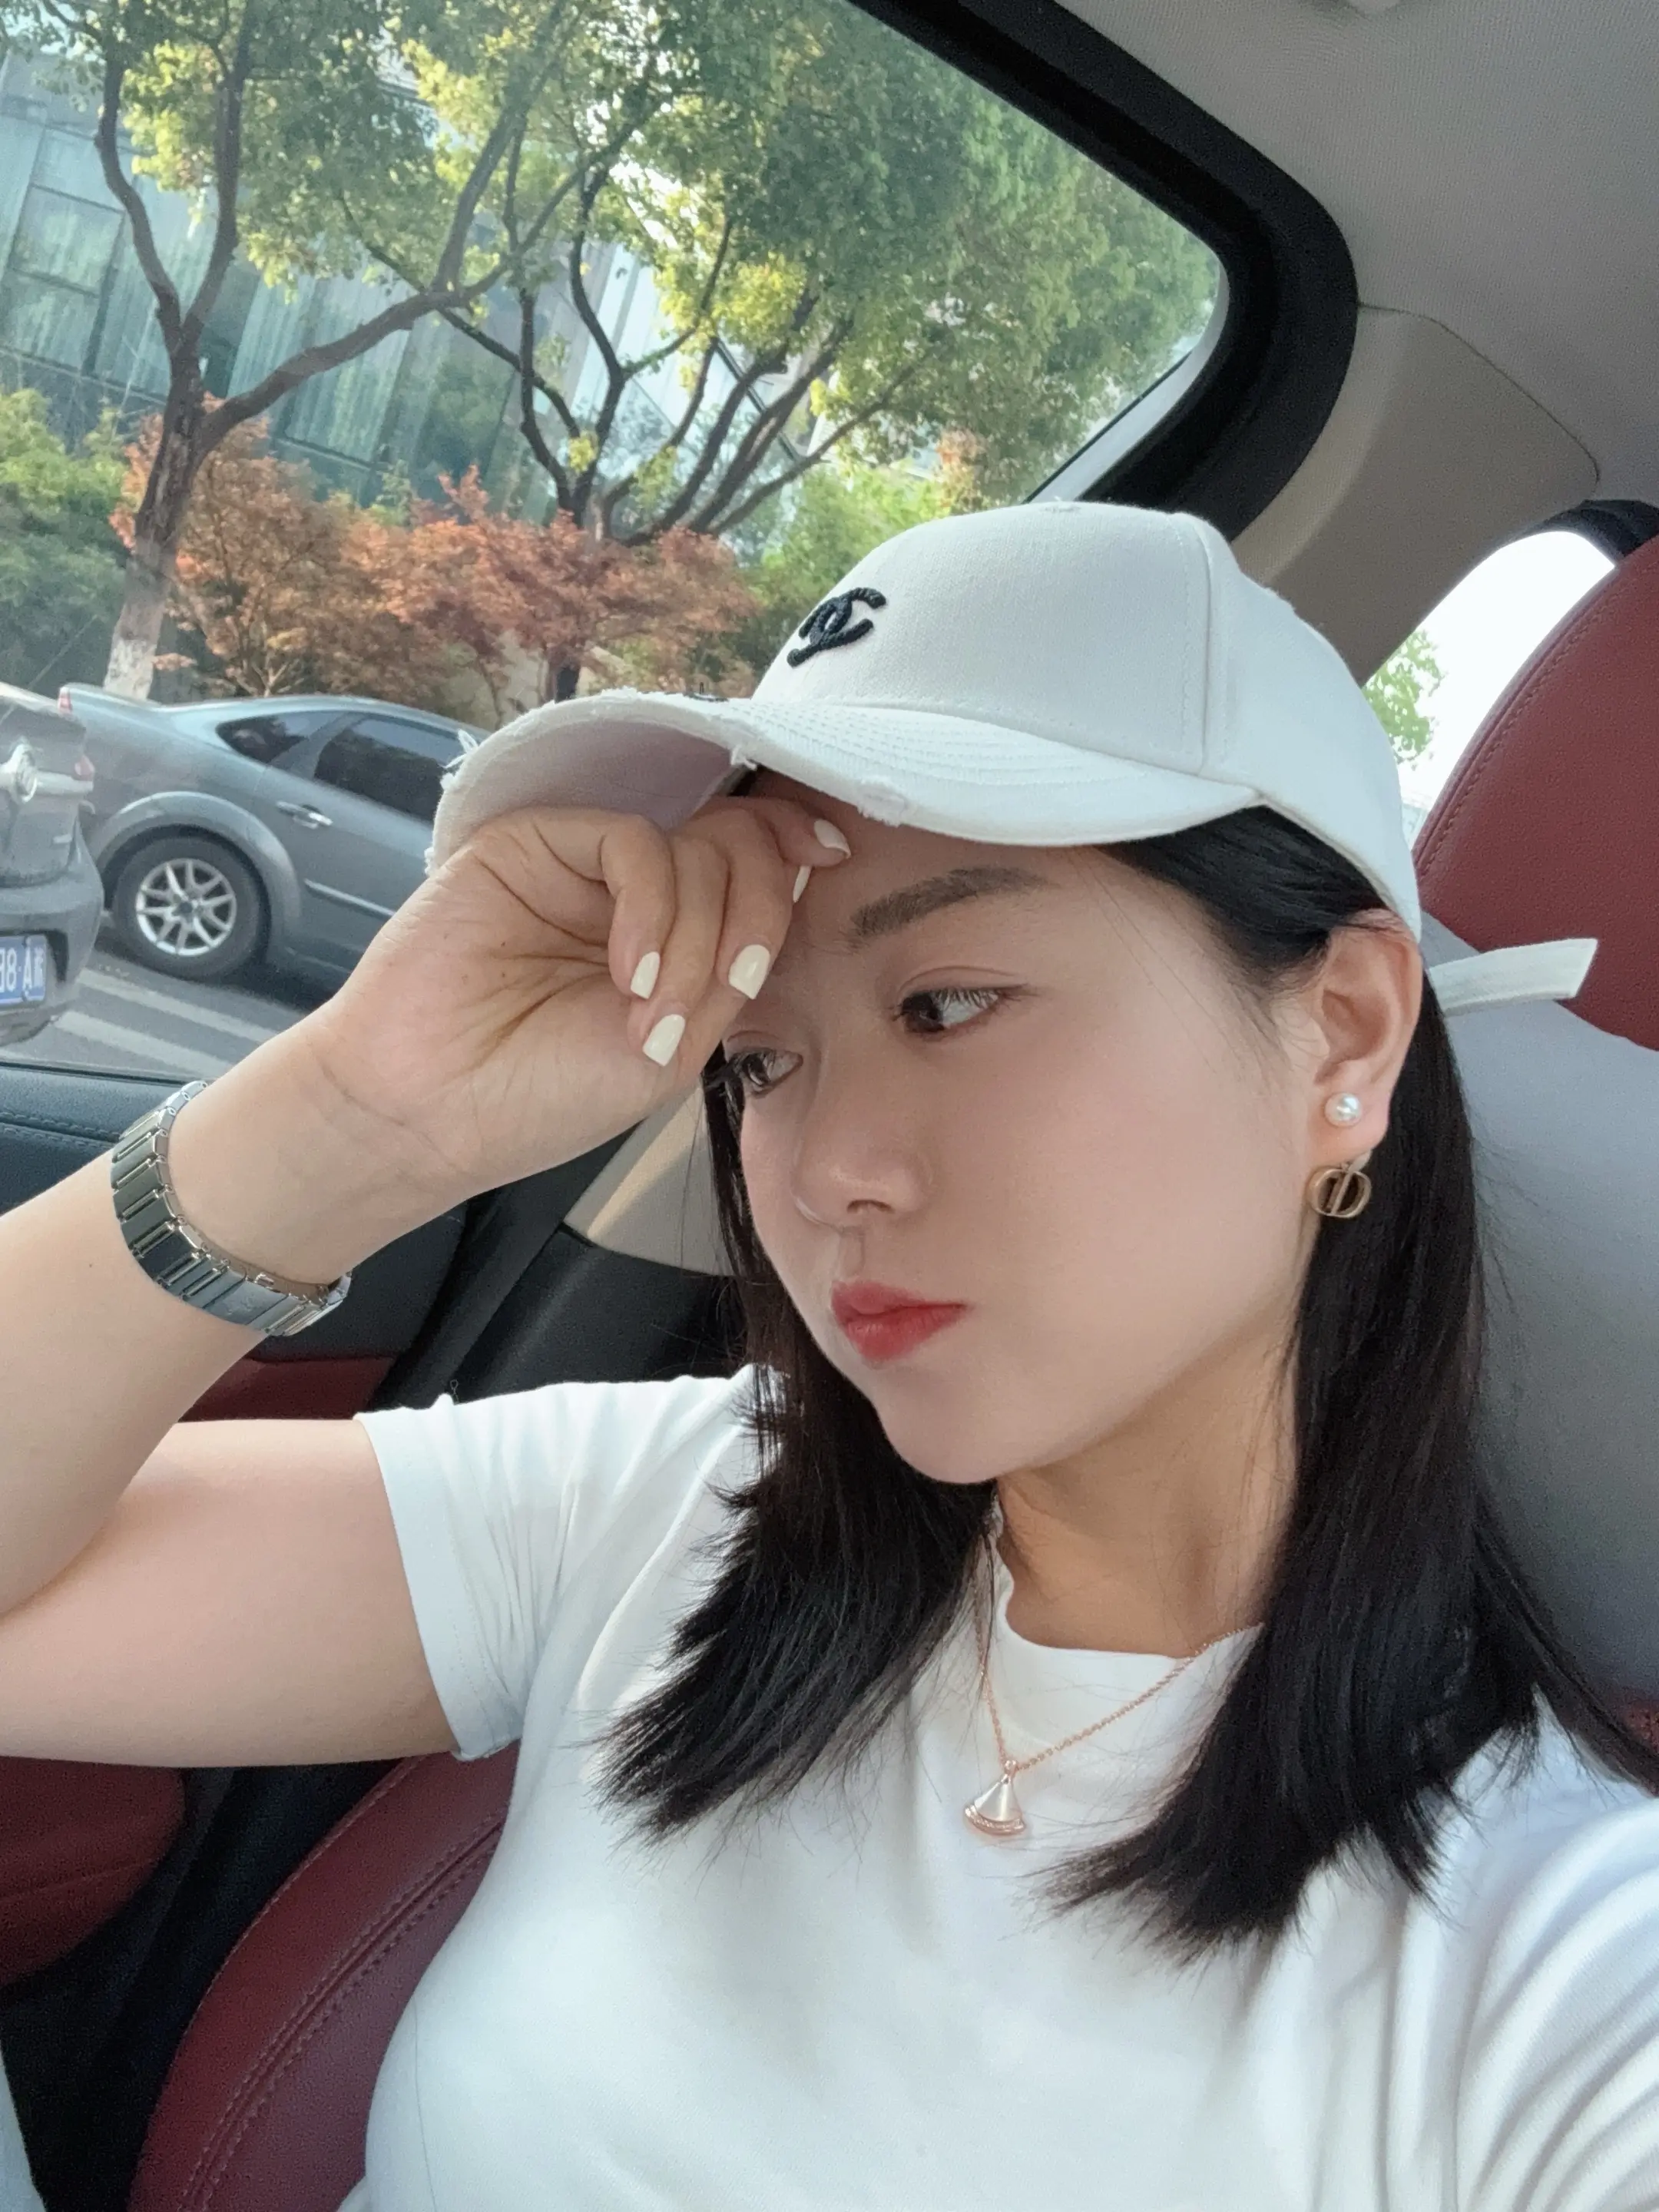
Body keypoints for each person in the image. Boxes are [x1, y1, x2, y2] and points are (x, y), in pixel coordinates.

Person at [3, 500, 1659, 2212]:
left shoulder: (1570, 1983)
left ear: (1345, 1033)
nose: (818, 1173)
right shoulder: (672, 1508)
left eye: (946, 1004)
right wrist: (354, 1116)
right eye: (757, 1059)